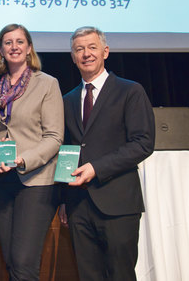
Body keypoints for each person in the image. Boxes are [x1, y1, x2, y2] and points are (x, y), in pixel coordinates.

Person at [59, 26, 155, 281]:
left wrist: (96, 168)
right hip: (79, 204)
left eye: (92, 47)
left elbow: (143, 143)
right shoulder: (67, 100)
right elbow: (66, 149)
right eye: (79, 49)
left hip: (118, 203)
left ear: (105, 51)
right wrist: (63, 200)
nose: (86, 54)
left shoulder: (130, 91)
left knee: (120, 275)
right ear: (73, 57)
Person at [0, 23, 64, 280]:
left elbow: (54, 137)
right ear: (0, 50)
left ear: (29, 48)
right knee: (11, 262)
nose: (14, 47)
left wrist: (22, 160)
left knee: (24, 262)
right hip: (0, 183)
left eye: (19, 42)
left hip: (35, 181)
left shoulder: (47, 84)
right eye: (8, 42)